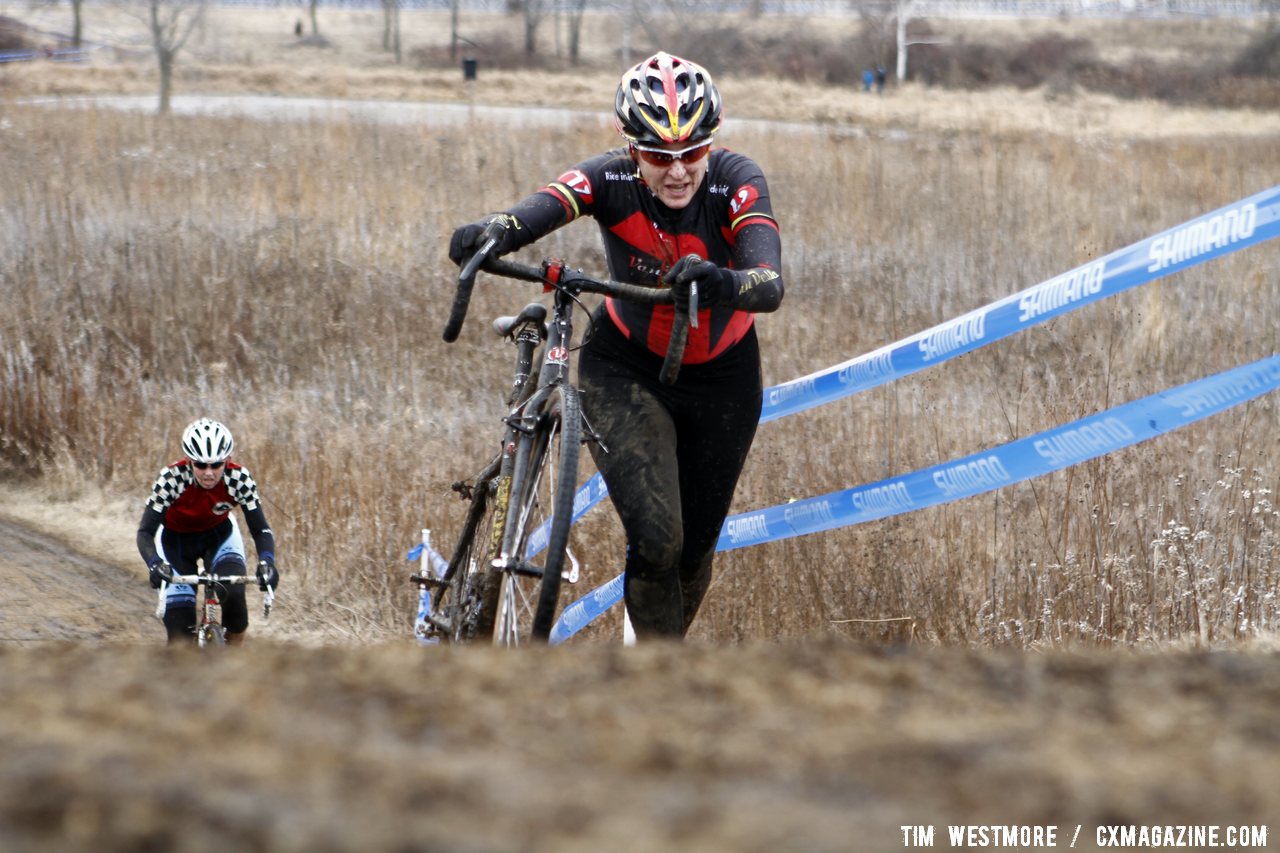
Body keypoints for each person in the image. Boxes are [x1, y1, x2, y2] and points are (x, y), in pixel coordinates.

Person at [448, 51, 784, 640]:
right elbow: (546, 205)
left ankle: (652, 666)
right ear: (632, 147)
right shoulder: (610, 176)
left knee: (693, 552)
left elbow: (768, 281)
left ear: (713, 142)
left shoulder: (737, 179)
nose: (677, 171)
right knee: (658, 539)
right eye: (658, 155)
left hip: (724, 378)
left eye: (692, 152)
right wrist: (496, 228)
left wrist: (723, 280)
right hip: (625, 366)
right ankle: (651, 686)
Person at [137, 418, 280, 644]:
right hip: (176, 544)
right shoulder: (170, 479)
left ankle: (233, 665)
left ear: (228, 460)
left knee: (234, 597)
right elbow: (145, 532)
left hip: (219, 537)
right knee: (180, 639)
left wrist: (267, 562)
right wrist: (154, 564)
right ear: (188, 461)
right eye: (200, 465)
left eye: (216, 465)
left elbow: (261, 530)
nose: (209, 473)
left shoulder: (239, 479)